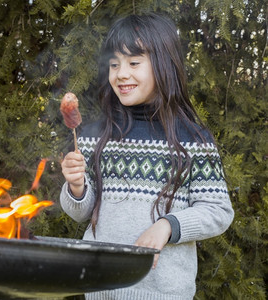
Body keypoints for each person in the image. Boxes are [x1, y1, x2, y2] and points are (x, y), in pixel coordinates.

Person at [59, 13, 234, 300]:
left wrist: (168, 226)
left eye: (134, 63)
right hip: (99, 289)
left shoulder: (193, 140)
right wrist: (76, 187)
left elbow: (218, 211)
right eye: (114, 64)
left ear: (164, 65)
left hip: (163, 293)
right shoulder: (92, 136)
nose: (121, 74)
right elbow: (81, 213)